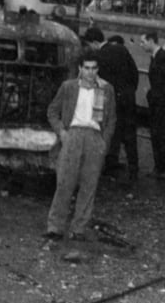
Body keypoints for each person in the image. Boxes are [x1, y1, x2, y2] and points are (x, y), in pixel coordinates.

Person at [44, 49, 117, 240]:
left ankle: (79, 228)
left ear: (98, 69)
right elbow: (52, 111)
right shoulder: (68, 87)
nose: (90, 72)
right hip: (72, 135)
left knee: (89, 185)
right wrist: (61, 132)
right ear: (80, 68)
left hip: (94, 136)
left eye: (94, 68)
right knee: (64, 183)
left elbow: (111, 119)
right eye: (87, 68)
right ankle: (55, 226)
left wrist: (104, 142)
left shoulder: (105, 89)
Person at [83, 28, 139, 181]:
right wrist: (129, 92)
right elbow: (134, 74)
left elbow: (99, 84)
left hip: (111, 101)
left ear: (95, 42)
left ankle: (111, 165)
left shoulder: (98, 57)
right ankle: (134, 167)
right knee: (129, 134)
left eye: (89, 45)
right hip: (128, 98)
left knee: (112, 133)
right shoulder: (121, 49)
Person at [140, 30, 165, 180]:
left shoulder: (162, 58)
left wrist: (163, 102)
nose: (141, 45)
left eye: (143, 42)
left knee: (161, 136)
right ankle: (163, 167)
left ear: (151, 41)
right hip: (159, 104)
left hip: (161, 105)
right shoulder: (158, 56)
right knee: (159, 136)